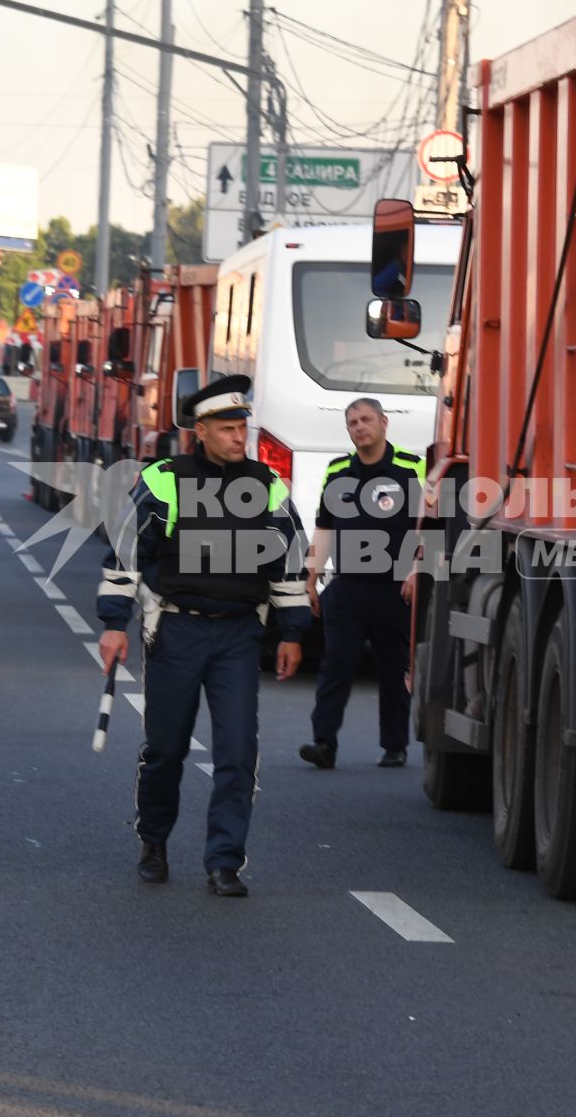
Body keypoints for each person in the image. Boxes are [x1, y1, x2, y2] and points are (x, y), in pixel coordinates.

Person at [97, 374, 310, 898]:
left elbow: (290, 561)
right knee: (166, 749)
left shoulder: (268, 485)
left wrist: (293, 631)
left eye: (243, 427)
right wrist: (112, 625)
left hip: (239, 634)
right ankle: (153, 838)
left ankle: (224, 861)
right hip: (176, 630)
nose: (241, 437)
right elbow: (128, 552)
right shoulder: (165, 479)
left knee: (238, 751)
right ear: (201, 430)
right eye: (229, 428)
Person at [298, 398, 425, 771]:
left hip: (394, 587)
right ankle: (324, 743)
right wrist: (312, 578)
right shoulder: (337, 471)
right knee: (336, 664)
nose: (359, 427)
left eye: (366, 419)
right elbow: (324, 526)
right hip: (348, 586)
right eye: (352, 422)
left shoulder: (412, 468)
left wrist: (418, 571)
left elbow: (430, 527)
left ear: (384, 422)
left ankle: (394, 745)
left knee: (393, 667)